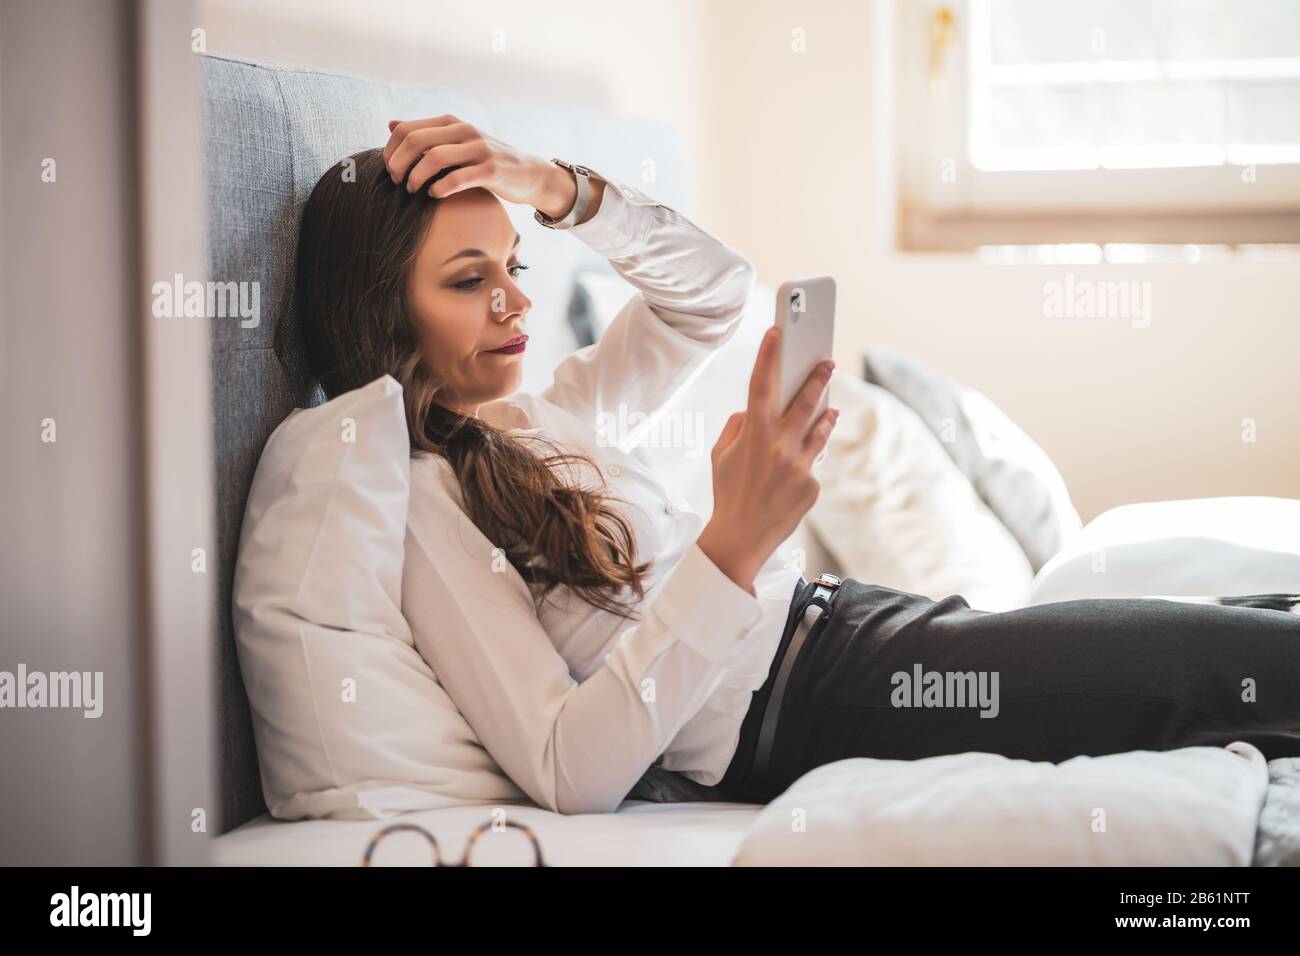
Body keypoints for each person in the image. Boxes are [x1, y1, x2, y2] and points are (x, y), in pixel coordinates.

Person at [294, 115, 1300, 815]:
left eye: (516, 265)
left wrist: (558, 187)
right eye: (470, 279)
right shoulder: (424, 498)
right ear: (383, 309)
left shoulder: (549, 412)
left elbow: (715, 293)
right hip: (817, 699)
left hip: (857, 622)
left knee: (1246, 629)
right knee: (1222, 671)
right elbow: (567, 766)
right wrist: (730, 545)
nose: (513, 303)